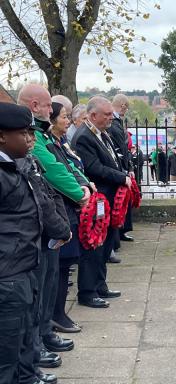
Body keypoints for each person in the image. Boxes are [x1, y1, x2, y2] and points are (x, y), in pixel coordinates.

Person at [18, 84, 87, 376]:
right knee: (35, 292)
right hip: (32, 235)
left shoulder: (40, 138)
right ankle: (36, 343)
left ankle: (44, 334)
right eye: (49, 107)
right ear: (35, 105)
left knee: (47, 285)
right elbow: (51, 178)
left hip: (49, 228)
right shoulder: (27, 141)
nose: (53, 112)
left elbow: (55, 179)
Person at [0, 102, 52, 384]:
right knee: (5, 354)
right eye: (24, 133)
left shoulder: (16, 165)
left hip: (22, 268)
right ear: (2, 136)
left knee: (22, 336)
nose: (31, 139)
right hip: (7, 274)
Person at [73, 96, 128, 308]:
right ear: (93, 115)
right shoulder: (84, 137)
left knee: (104, 245)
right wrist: (121, 177)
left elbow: (114, 159)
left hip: (109, 200)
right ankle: (87, 292)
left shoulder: (101, 133)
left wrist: (124, 172)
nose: (110, 118)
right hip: (98, 198)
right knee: (93, 247)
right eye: (106, 115)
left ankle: (100, 284)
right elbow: (94, 167)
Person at [48, 102, 84, 333]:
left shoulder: (60, 142)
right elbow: (57, 172)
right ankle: (56, 315)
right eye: (64, 116)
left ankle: (58, 313)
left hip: (70, 209)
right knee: (59, 268)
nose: (68, 120)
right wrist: (81, 193)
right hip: (62, 210)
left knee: (65, 266)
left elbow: (73, 166)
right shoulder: (47, 143)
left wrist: (84, 183)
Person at [110, 94, 135, 245]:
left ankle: (122, 230)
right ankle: (120, 232)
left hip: (123, 165)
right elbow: (121, 147)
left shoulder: (117, 122)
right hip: (120, 167)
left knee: (124, 200)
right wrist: (127, 167)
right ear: (123, 106)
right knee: (120, 201)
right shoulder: (115, 123)